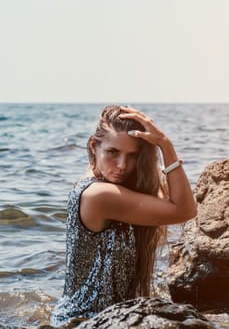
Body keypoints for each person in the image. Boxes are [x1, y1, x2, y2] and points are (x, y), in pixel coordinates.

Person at [50, 105, 197, 326]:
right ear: (94, 146)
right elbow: (184, 210)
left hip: (103, 318)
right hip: (86, 321)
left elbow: (176, 200)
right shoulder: (100, 195)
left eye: (133, 156)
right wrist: (165, 145)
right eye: (112, 152)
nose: (122, 166)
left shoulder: (107, 183)